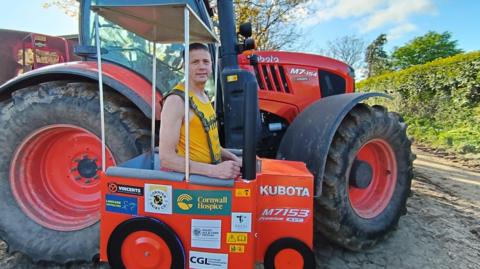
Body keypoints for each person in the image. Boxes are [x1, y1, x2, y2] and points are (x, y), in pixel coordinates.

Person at [159, 43, 242, 179]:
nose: (202, 66)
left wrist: (234, 159)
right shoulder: (177, 101)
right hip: (191, 182)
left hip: (207, 176)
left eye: (206, 62)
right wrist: (214, 171)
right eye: (195, 62)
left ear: (211, 65)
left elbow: (208, 143)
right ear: (185, 66)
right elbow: (167, 158)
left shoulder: (204, 96)